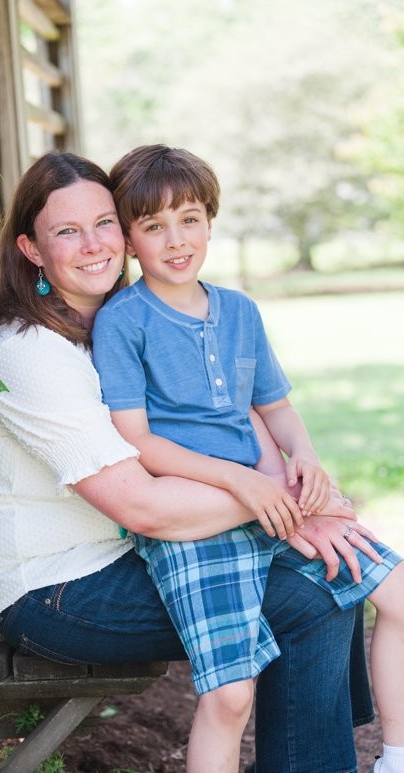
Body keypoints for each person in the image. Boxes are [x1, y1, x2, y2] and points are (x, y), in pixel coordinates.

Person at [0, 149, 382, 773]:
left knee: (330, 570)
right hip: (54, 591)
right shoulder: (28, 353)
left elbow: (234, 415)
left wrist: (294, 496)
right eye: (66, 232)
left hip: (117, 555)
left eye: (105, 223)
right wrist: (289, 507)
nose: (94, 244)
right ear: (30, 249)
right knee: (318, 592)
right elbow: (143, 505)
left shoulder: (107, 323)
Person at [91, 143, 404, 773]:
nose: (176, 240)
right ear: (128, 240)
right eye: (153, 226)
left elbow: (275, 408)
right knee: (230, 696)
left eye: (189, 219)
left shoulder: (239, 311)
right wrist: (244, 484)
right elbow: (139, 439)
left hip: (273, 497)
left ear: (210, 220)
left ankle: (394, 757)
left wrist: (306, 458)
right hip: (195, 519)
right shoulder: (123, 322)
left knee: (395, 590)